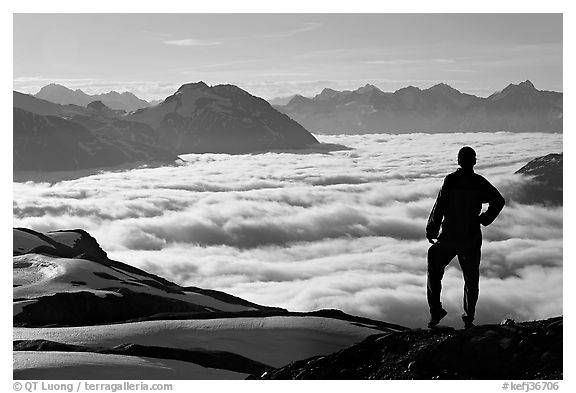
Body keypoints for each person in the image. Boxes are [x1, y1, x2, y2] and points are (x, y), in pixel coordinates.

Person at [426, 146, 505, 329]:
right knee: (471, 278)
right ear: (474, 161)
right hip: (471, 238)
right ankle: (468, 317)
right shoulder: (479, 182)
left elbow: (440, 206)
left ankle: (436, 310)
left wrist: (432, 230)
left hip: (449, 236)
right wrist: (484, 219)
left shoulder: (451, 180)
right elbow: (498, 201)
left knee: (434, 266)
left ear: (458, 161)